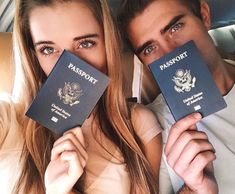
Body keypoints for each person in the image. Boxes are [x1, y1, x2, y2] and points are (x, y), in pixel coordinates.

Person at [0, 0, 163, 194]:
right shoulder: (9, 118)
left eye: (85, 43)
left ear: (108, 44)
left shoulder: (137, 125)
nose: (70, 65)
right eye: (48, 49)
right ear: (33, 55)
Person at [118, 0, 235, 193]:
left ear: (204, 16)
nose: (170, 53)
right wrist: (194, 188)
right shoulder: (154, 128)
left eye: (175, 28)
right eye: (149, 49)